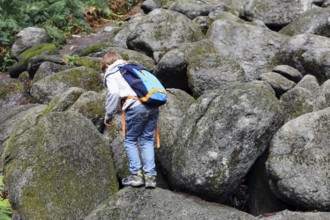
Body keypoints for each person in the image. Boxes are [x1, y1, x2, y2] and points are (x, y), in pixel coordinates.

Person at [101, 51, 159, 188]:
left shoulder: (111, 72)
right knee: (147, 140)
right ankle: (150, 177)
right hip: (152, 104)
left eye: (104, 68)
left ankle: (136, 176)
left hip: (135, 107)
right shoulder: (131, 67)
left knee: (131, 140)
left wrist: (108, 115)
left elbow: (114, 93)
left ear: (106, 64)